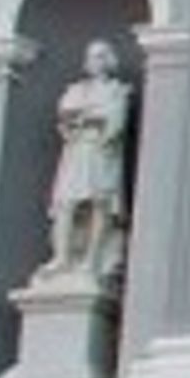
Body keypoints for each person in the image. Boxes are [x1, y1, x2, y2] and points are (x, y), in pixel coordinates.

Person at [45, 39, 134, 280]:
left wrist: (89, 118)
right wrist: (84, 119)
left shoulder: (116, 90)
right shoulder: (75, 90)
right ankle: (62, 257)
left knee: (100, 203)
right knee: (66, 203)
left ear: (110, 60)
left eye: (102, 56)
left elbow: (114, 122)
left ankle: (92, 260)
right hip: (76, 150)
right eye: (93, 56)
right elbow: (65, 117)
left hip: (100, 151)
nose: (97, 61)